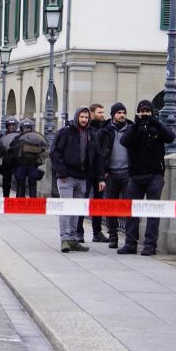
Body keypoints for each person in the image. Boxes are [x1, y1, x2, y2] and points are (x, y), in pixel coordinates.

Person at [118, 100, 175, 256]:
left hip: (155, 175)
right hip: (135, 176)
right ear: (137, 112)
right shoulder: (133, 129)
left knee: (153, 211)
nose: (144, 114)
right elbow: (124, 141)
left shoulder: (156, 128)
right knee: (131, 210)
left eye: (147, 111)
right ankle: (130, 243)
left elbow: (171, 137)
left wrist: (154, 121)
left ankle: (150, 245)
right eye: (142, 111)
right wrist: (137, 123)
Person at [51, 106, 106, 253]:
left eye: (86, 117)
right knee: (66, 209)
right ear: (77, 117)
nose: (84, 120)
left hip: (83, 178)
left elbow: (98, 157)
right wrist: (61, 172)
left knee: (76, 210)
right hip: (66, 178)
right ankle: (65, 240)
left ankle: (73, 239)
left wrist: (101, 178)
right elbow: (54, 152)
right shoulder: (65, 132)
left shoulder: (91, 134)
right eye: (81, 117)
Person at [97, 102, 132, 249]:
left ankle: (130, 240)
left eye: (123, 112)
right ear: (113, 115)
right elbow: (98, 155)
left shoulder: (131, 129)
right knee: (111, 208)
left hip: (127, 174)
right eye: (119, 113)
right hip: (110, 174)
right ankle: (113, 237)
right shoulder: (104, 131)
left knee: (129, 208)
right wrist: (100, 176)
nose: (122, 115)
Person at [77, 103, 109, 243]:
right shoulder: (88, 130)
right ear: (91, 113)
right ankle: (79, 232)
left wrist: (103, 173)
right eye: (99, 112)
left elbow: (102, 154)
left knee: (98, 203)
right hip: (86, 172)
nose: (103, 115)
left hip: (100, 172)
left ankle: (97, 232)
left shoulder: (105, 128)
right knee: (82, 202)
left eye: (103, 112)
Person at [10, 118, 46, 197]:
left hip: (32, 164)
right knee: (20, 183)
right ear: (22, 128)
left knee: (33, 183)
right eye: (25, 128)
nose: (27, 129)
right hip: (20, 164)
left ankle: (33, 203)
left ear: (31, 128)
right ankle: (20, 202)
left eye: (28, 127)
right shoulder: (17, 138)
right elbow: (12, 149)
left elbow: (43, 149)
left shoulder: (36, 138)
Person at [0, 116, 20, 197]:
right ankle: (6, 197)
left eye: (13, 125)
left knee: (19, 180)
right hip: (7, 160)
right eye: (9, 125)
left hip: (18, 161)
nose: (11, 127)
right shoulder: (2, 136)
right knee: (6, 181)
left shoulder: (20, 136)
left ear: (16, 126)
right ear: (6, 126)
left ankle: (19, 198)